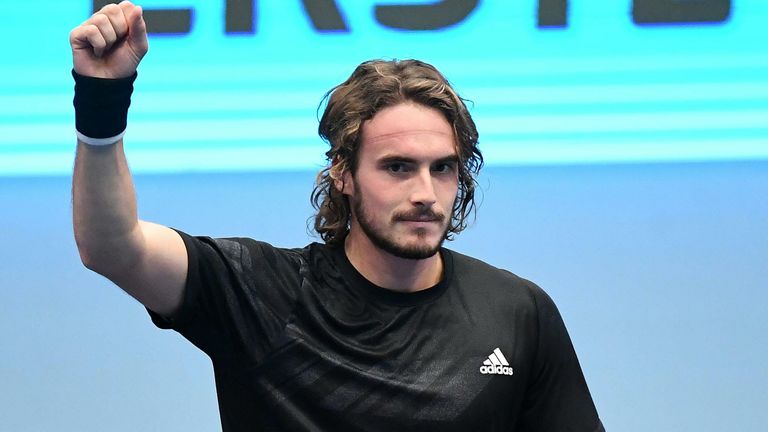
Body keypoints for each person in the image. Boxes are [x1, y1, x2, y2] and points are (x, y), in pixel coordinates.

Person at [70, 2, 605, 431]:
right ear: (343, 174)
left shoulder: (517, 312)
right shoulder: (259, 291)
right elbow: (112, 247)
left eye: (443, 168)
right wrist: (102, 100)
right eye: (397, 167)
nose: (426, 193)